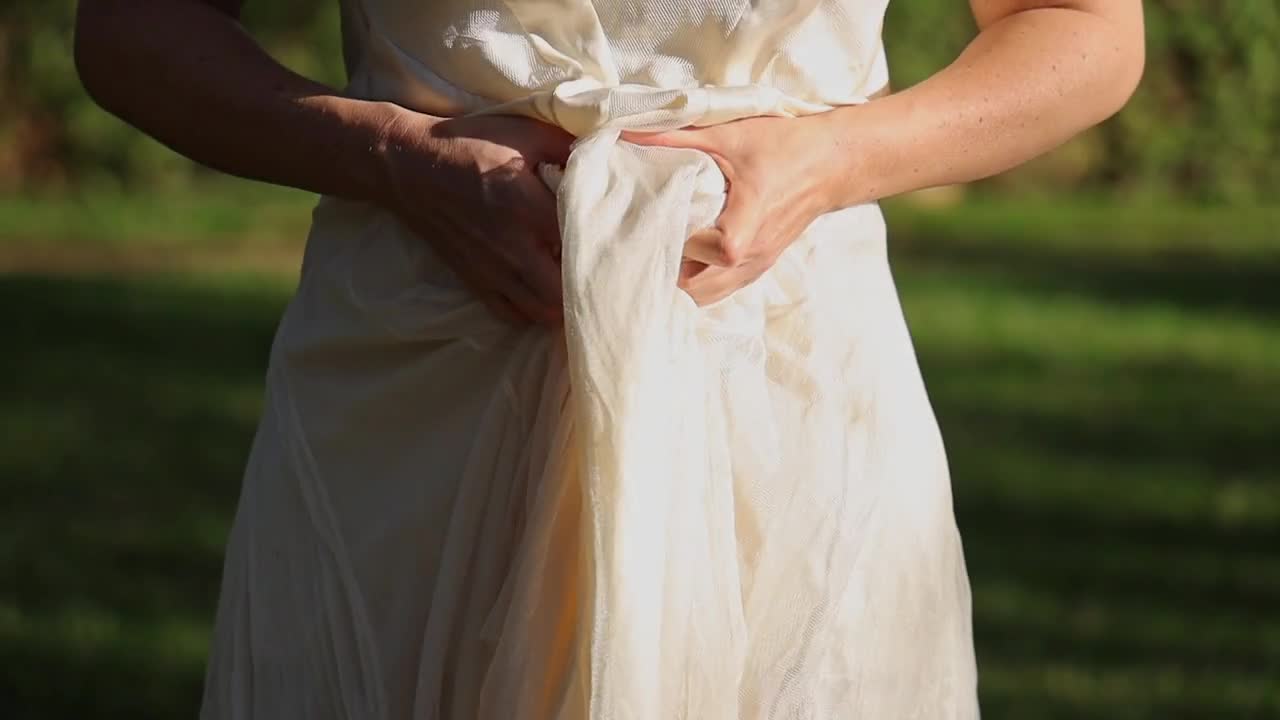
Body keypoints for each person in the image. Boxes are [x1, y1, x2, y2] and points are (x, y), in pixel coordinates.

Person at [74, 0, 1145, 717]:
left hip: (790, 394)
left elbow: (1083, 27)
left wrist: (831, 158)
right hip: (410, 417)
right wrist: (396, 156)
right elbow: (133, 29)